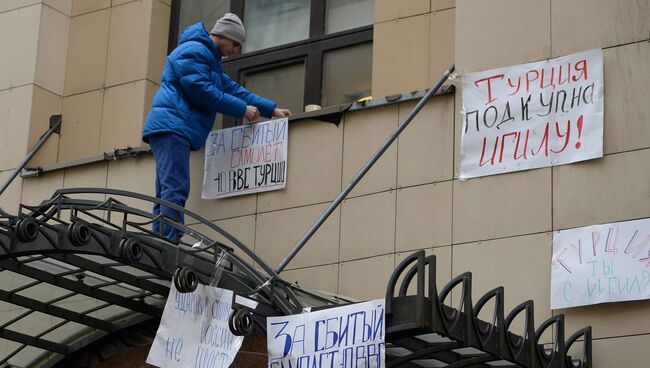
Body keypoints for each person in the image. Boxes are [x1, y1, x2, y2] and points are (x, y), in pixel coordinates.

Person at [142, 13, 291, 240]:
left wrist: (271, 110)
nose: (235, 50)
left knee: (168, 188)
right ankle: (167, 242)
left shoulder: (207, 59)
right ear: (225, 36)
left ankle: (162, 239)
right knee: (175, 187)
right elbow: (202, 91)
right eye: (235, 43)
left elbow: (233, 90)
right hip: (173, 127)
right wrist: (242, 109)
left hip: (172, 127)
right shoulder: (194, 51)